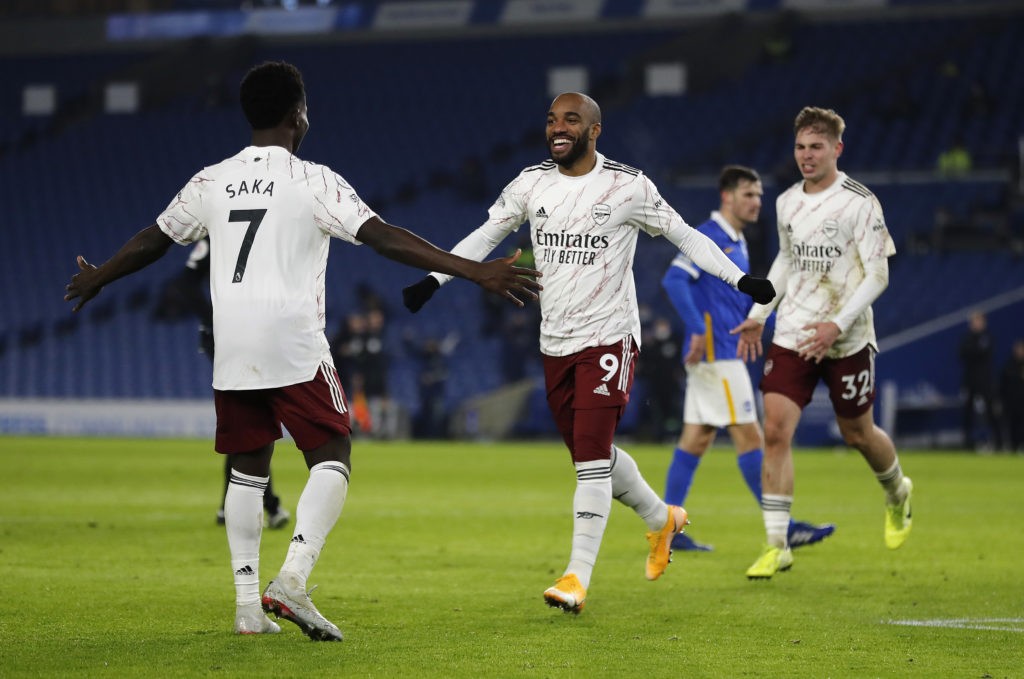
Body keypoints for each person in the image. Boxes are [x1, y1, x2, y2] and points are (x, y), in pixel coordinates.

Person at [63, 61, 541, 640]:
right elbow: (383, 237)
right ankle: (292, 578)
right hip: (291, 336)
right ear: (297, 115)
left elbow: (154, 239)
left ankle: (246, 609)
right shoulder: (314, 180)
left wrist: (99, 278)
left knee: (246, 468)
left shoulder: (211, 179)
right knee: (333, 450)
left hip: (232, 337)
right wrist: (471, 271)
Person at [401, 92, 776, 613]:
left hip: (610, 337)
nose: (558, 127)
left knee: (590, 462)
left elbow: (685, 236)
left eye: (571, 120)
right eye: (552, 119)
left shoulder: (628, 185)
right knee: (590, 455)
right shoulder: (531, 184)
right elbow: (486, 234)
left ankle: (576, 577)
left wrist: (740, 279)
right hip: (555, 341)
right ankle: (662, 519)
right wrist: (434, 280)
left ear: (594, 130)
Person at [732, 107, 913, 579]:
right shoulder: (787, 201)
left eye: (816, 147)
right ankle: (777, 543)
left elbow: (878, 274)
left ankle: (897, 493)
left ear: (837, 148)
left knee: (858, 434)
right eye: (800, 147)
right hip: (793, 332)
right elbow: (787, 262)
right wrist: (758, 315)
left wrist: (836, 323)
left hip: (846, 337)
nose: (807, 156)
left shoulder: (860, 202)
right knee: (775, 431)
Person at [661, 165, 835, 552]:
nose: (757, 201)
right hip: (718, 355)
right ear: (727, 196)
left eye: (759, 195)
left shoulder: (736, 241)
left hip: (720, 354)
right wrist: (696, 328)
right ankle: (784, 526)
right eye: (749, 194)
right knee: (752, 437)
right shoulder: (708, 237)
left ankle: (666, 530)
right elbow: (673, 279)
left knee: (695, 441)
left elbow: (734, 298)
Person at [159, 236, 290, 528]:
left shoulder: (246, 230)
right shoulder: (221, 233)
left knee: (247, 423)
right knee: (253, 422)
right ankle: (266, 506)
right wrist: (218, 319)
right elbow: (183, 284)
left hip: (250, 335)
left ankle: (231, 507)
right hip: (232, 338)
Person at [959, 310, 1003, 451]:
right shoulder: (967, 337)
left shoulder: (987, 337)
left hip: (985, 380)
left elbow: (984, 352)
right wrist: (976, 351)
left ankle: (998, 441)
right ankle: (967, 442)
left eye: (979, 321)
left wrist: (974, 351)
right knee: (968, 413)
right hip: (970, 379)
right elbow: (962, 353)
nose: (976, 324)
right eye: (974, 321)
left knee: (991, 411)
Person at [1000, 338, 1024, 453]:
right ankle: (1012, 446)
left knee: (1021, 425)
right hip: (1010, 401)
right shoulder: (1008, 365)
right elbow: (1002, 384)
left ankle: (1021, 446)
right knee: (1011, 425)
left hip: (1022, 401)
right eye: (1018, 349)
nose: (1020, 351)